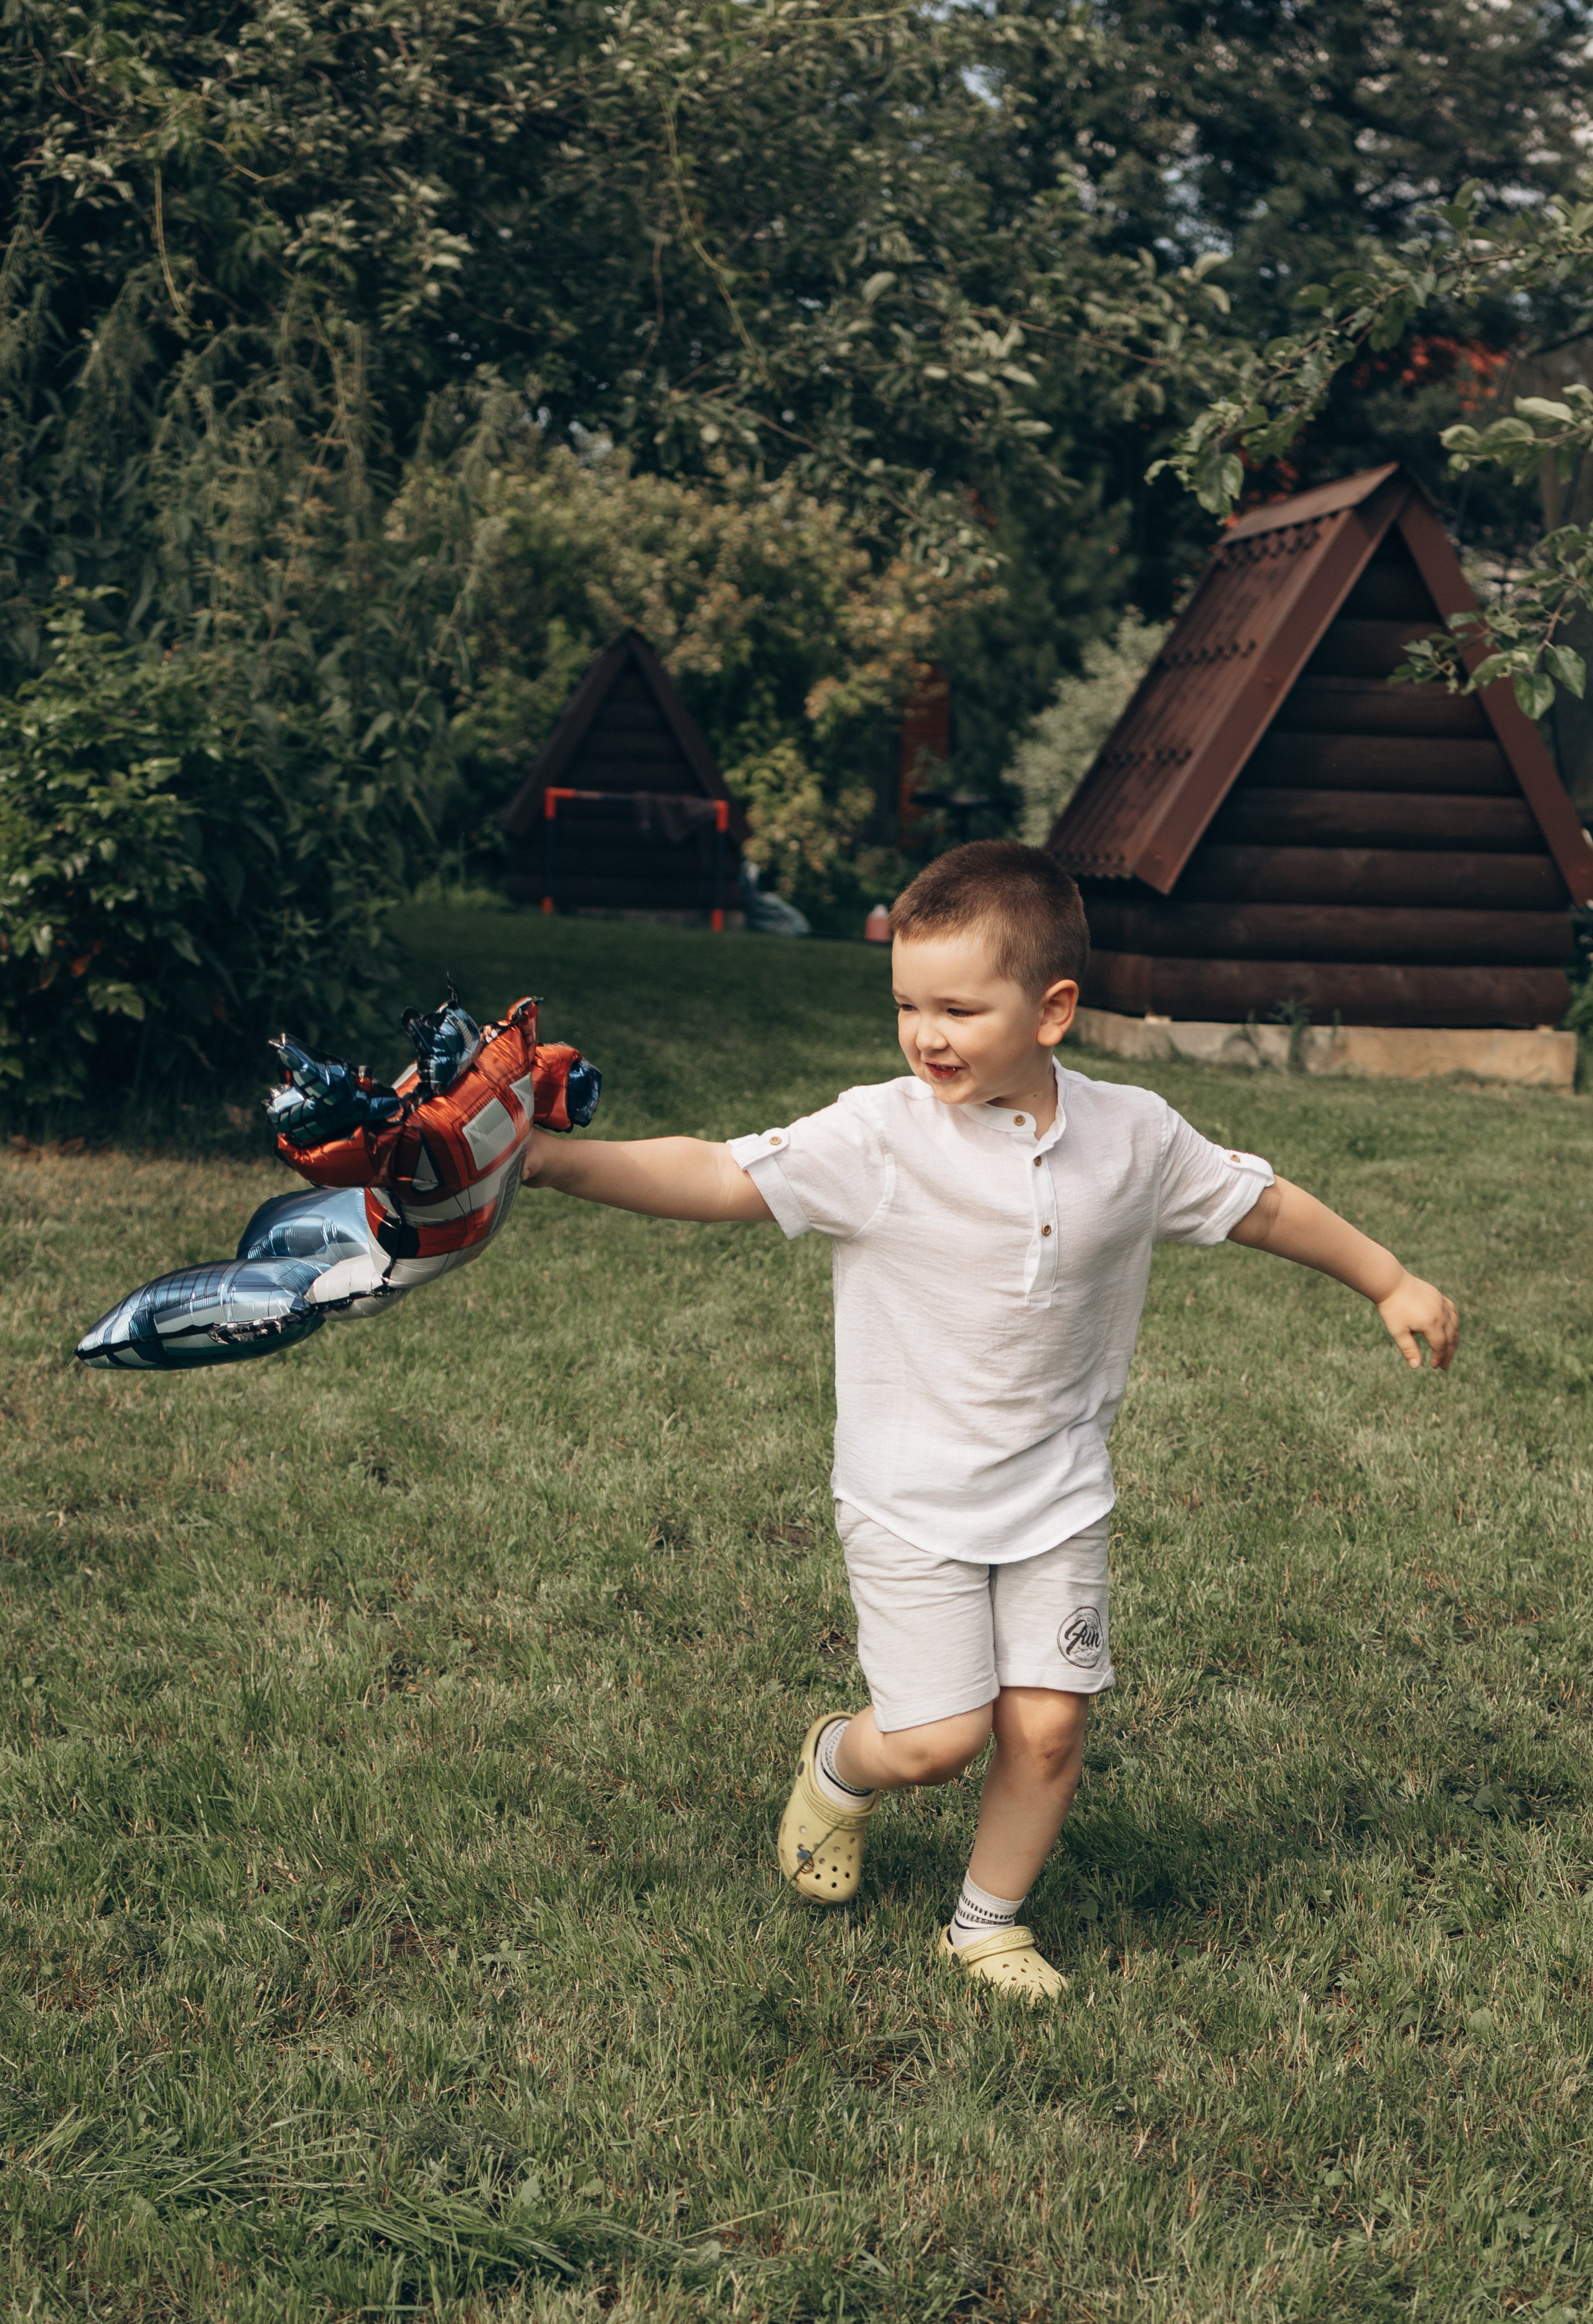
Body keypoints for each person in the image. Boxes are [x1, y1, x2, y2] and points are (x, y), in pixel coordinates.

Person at [521, 843, 1458, 2000]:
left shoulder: (1137, 1137)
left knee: (1050, 1729)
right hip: (910, 1501)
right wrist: (551, 1163)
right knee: (936, 1740)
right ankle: (836, 1765)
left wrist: (1389, 1279)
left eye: (960, 1007)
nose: (928, 1034)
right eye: (909, 1004)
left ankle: (984, 1923)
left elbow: (1262, 1207)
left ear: (1053, 1009)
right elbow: (717, 1174)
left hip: (1059, 1492)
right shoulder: (879, 1136)